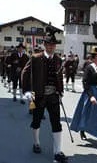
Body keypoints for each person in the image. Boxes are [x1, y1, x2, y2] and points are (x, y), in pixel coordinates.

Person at [21, 25, 68, 163]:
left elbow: (59, 77)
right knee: (36, 120)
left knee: (56, 123)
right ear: (45, 45)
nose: (51, 47)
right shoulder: (36, 58)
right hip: (37, 94)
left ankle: (57, 152)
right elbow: (25, 72)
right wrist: (27, 91)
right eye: (49, 44)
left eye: (53, 45)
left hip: (53, 95)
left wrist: (61, 91)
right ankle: (36, 143)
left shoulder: (58, 60)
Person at [70, 47, 97, 149]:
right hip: (91, 94)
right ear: (93, 58)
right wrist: (91, 96)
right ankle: (83, 130)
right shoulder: (89, 68)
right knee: (87, 114)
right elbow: (85, 83)